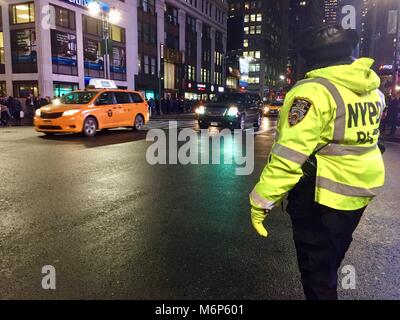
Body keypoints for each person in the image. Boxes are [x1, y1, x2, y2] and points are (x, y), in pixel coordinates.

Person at [249, 24, 386, 300]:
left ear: (310, 58)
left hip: (322, 198)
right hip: (359, 194)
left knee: (317, 278)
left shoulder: (311, 93)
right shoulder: (372, 90)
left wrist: (261, 201)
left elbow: (289, 155)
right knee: (329, 264)